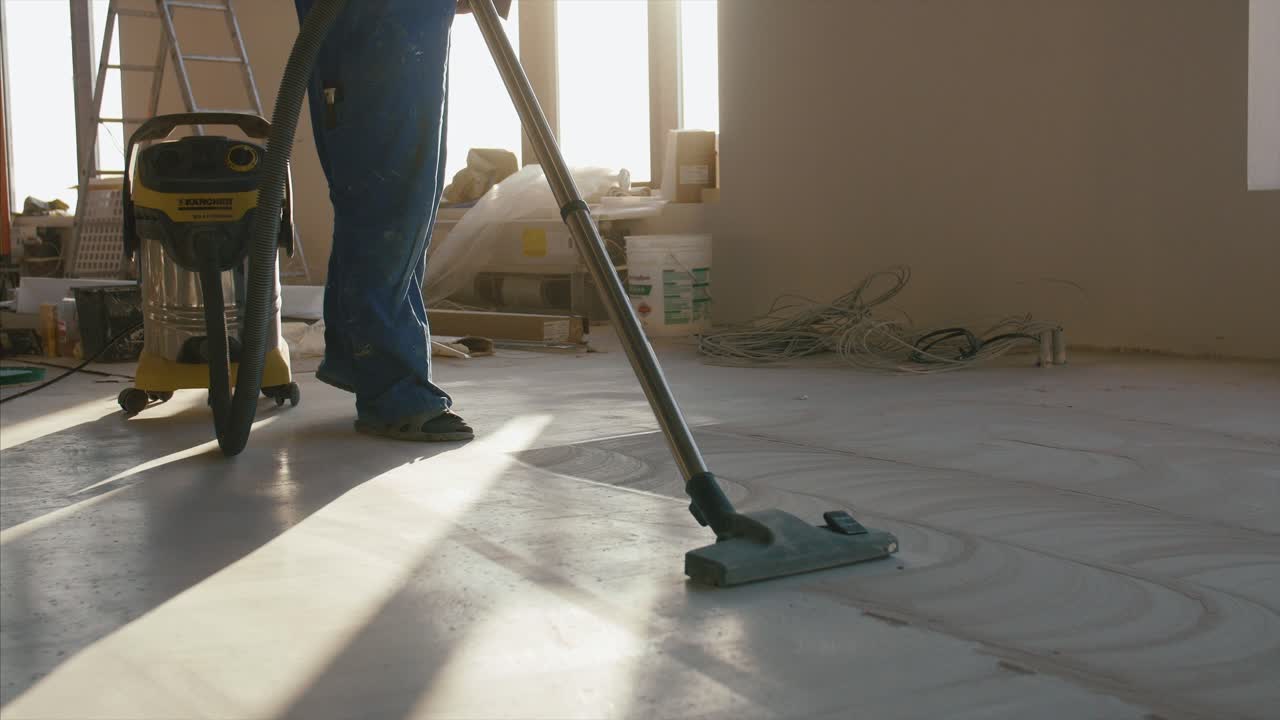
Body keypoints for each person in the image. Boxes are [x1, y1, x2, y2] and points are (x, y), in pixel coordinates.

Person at [292, 0, 510, 441]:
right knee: (390, 203)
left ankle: (363, 364)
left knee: (389, 200)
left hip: (397, 22)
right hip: (382, 19)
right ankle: (392, 393)